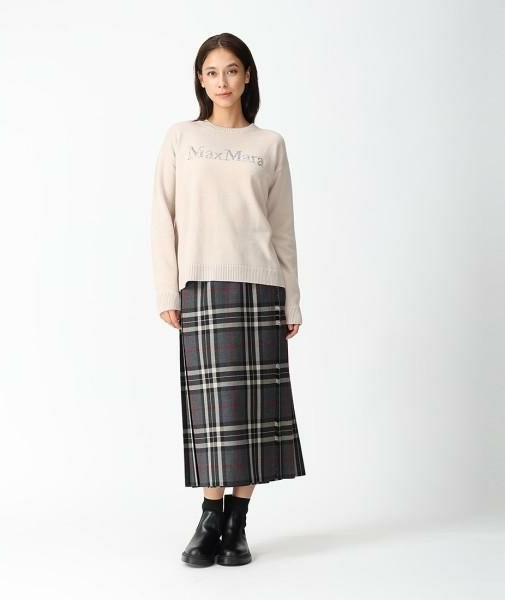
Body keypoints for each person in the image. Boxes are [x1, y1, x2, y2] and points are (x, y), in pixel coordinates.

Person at [151, 32, 306, 567]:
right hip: (201, 285)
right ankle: (209, 515)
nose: (222, 81)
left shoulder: (270, 144)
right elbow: (162, 216)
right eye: (212, 72)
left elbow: (282, 230)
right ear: (200, 79)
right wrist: (167, 288)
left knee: (254, 413)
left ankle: (237, 522)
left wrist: (292, 300)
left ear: (247, 77)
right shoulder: (182, 138)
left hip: (261, 285)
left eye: (232, 70)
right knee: (212, 412)